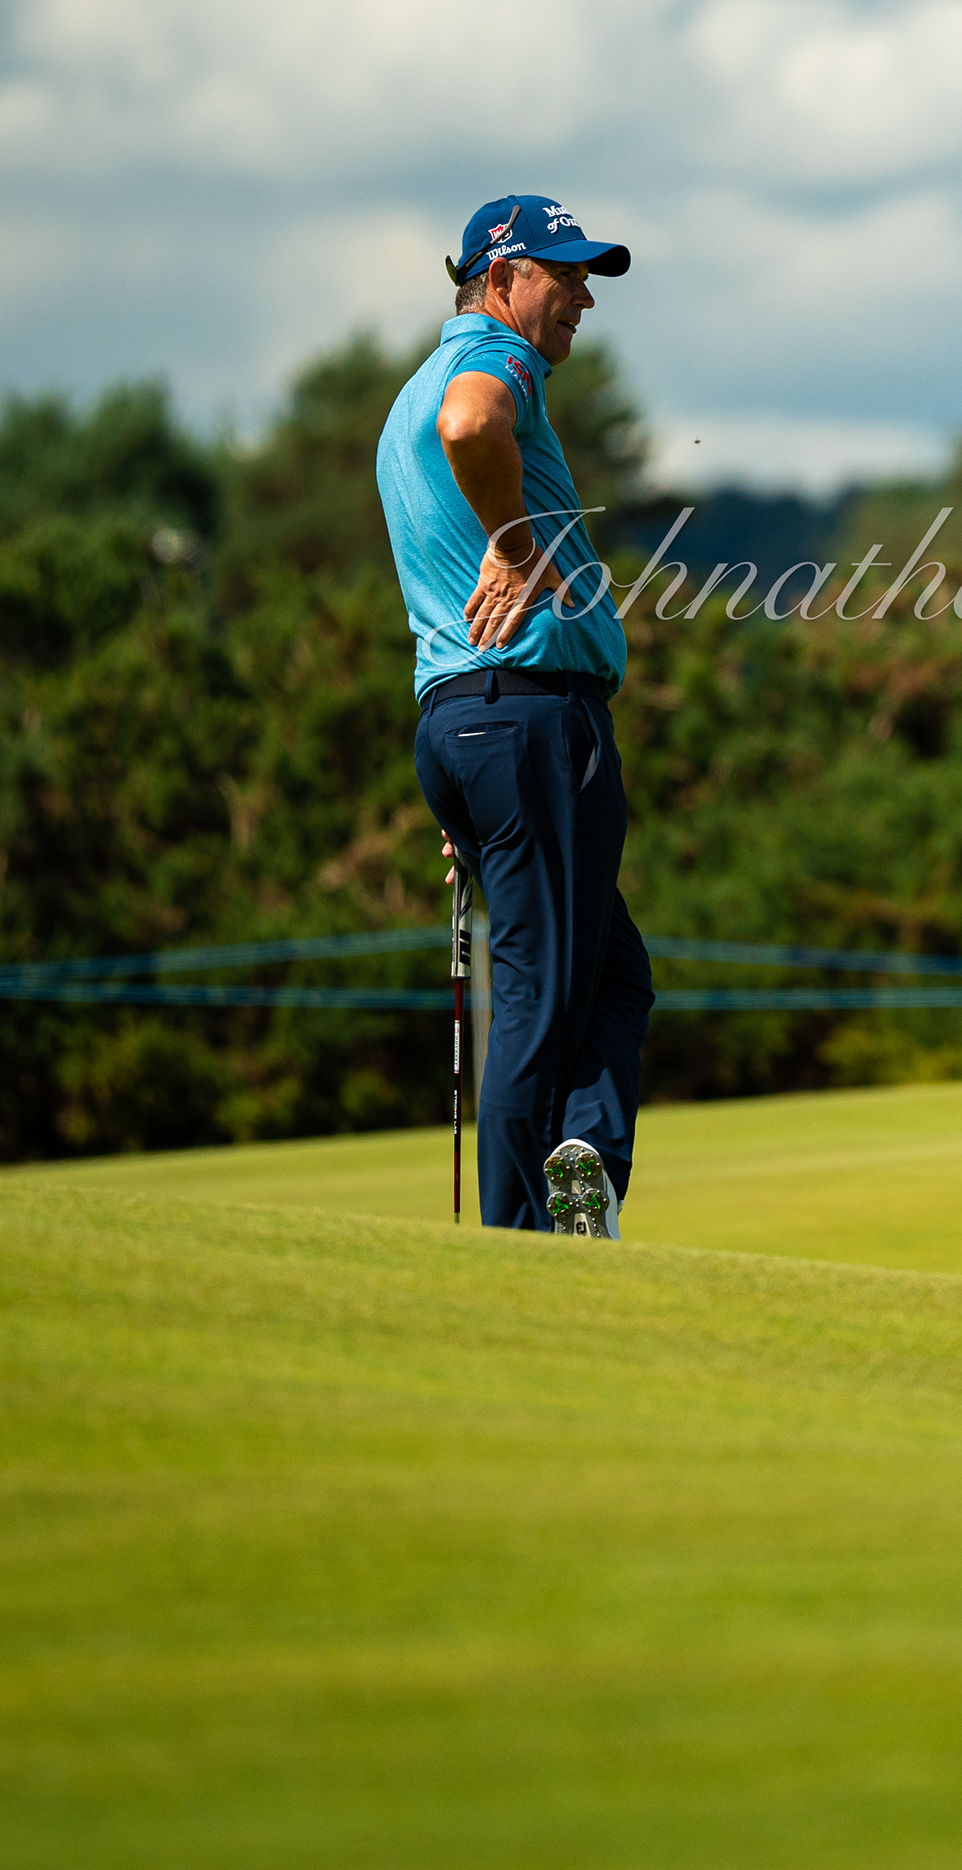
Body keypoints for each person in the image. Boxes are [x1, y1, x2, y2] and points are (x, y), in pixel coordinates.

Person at [377, 195, 656, 1236]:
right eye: (563, 274)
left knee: (611, 976)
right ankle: (522, 1248)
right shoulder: (492, 361)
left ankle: (583, 1159)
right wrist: (514, 544)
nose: (583, 297)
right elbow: (473, 424)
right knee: (539, 998)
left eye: (586, 278)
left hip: (467, 727)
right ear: (499, 281)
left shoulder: (407, 394)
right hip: (530, 719)